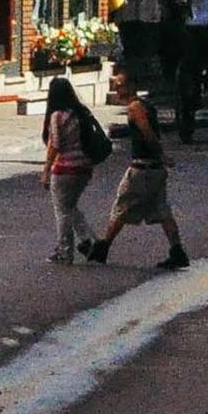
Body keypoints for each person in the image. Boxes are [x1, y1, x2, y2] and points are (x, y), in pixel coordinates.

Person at [86, 65, 189, 270]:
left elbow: (147, 133)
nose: (117, 89)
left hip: (143, 168)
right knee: (161, 210)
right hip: (155, 169)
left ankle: (103, 247)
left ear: (132, 85)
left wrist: (161, 154)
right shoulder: (145, 104)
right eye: (115, 85)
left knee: (122, 205)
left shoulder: (135, 107)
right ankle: (177, 250)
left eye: (120, 85)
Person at [39, 76, 98, 265]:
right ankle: (88, 240)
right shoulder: (80, 113)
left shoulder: (57, 116)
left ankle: (65, 250)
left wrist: (46, 169)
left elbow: (55, 144)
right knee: (70, 206)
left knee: (62, 210)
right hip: (84, 166)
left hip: (65, 167)